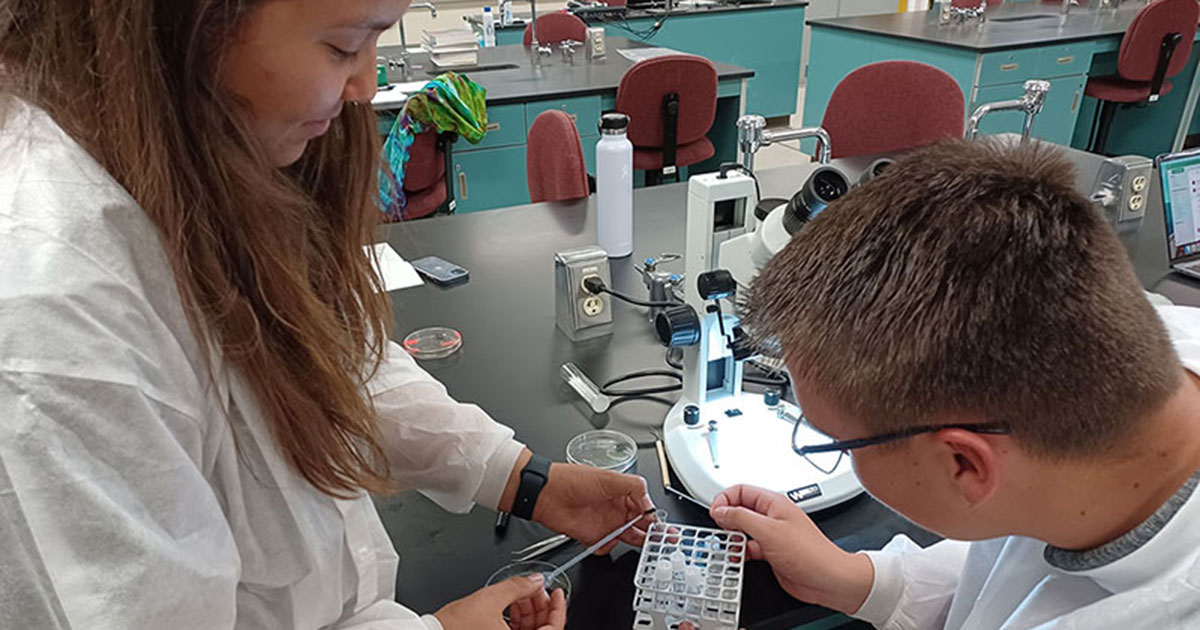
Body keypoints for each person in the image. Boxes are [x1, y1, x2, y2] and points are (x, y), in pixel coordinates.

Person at [0, 1, 654, 629]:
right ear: (192, 19)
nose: (366, 86)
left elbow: (331, 363)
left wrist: (527, 481)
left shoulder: (196, 152)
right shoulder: (54, 315)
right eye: (343, 45)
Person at [710, 140, 1200, 628]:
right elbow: (1010, 548)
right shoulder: (1159, 344)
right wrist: (860, 581)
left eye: (835, 441)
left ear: (964, 463)